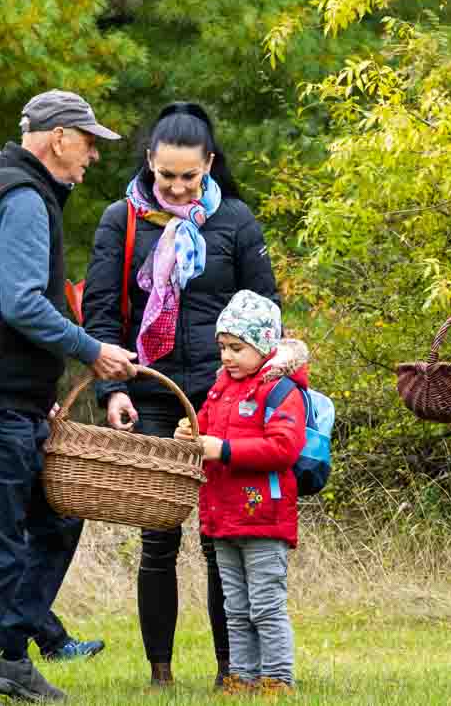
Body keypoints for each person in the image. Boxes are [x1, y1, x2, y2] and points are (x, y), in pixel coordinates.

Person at [0, 91, 138, 706]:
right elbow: (22, 304)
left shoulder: (9, 187)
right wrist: (92, 350)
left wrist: (32, 388)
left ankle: (8, 656)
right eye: (88, 142)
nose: (93, 155)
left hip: (7, 395)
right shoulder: (20, 196)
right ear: (57, 137)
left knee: (57, 516)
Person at [81, 102, 282, 690]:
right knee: (158, 535)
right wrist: (114, 390)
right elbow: (100, 313)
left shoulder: (236, 221)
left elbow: (266, 311)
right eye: (165, 175)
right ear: (149, 161)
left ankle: (231, 669)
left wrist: (260, 387)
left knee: (224, 536)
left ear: (209, 165)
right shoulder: (121, 221)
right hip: (152, 392)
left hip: (225, 397)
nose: (175, 187)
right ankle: (160, 674)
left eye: (188, 176)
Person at [174, 290, 308, 695]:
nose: (227, 357)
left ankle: (277, 678)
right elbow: (204, 426)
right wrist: (190, 431)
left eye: (237, 348)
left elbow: (284, 448)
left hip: (264, 517)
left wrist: (224, 450)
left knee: (265, 605)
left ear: (263, 346)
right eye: (223, 348)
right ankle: (243, 677)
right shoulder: (221, 387)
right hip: (223, 515)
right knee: (235, 606)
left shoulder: (280, 390)